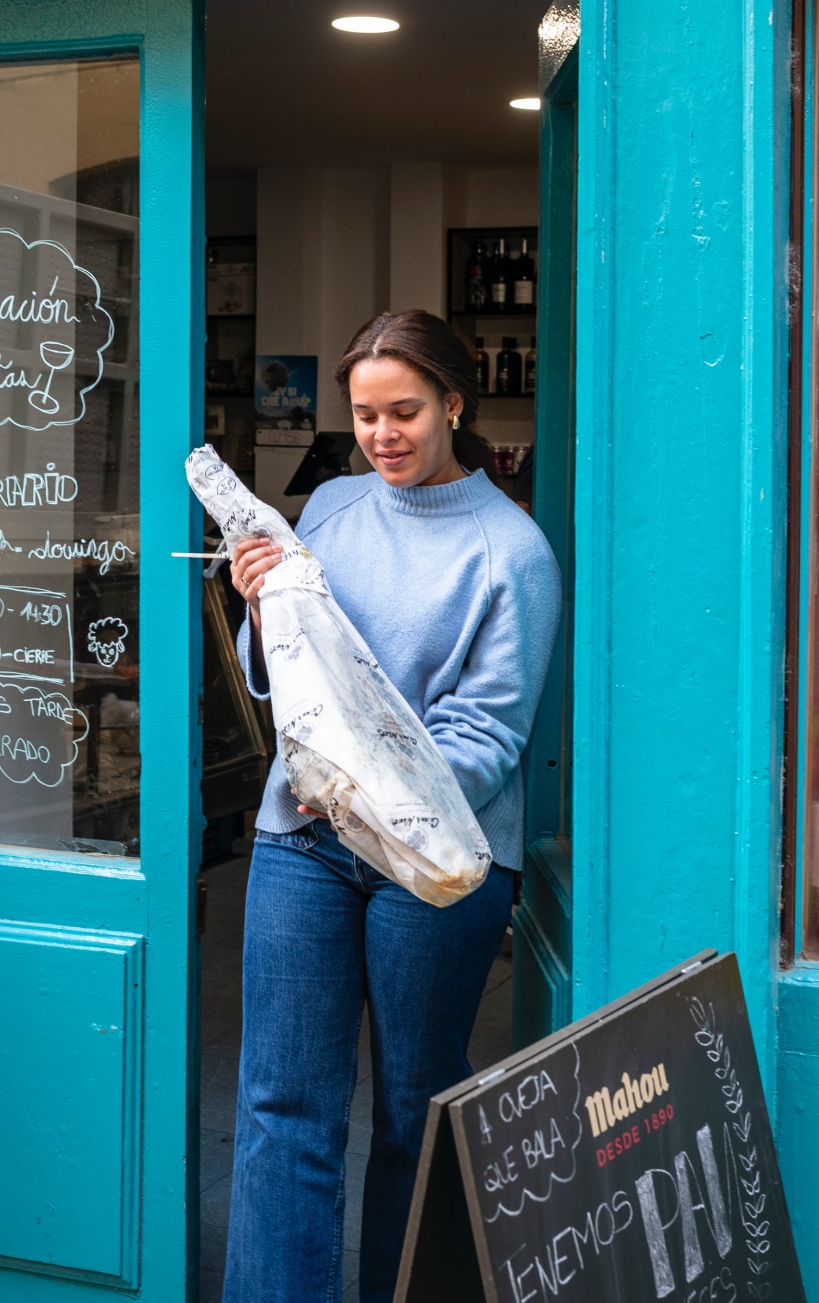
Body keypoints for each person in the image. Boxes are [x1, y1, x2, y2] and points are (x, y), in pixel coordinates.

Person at [223, 309, 562, 1303]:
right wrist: (259, 606)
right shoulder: (326, 506)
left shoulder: (513, 552)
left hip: (435, 859)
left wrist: (378, 796)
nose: (382, 436)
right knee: (281, 1099)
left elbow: (489, 743)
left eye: (404, 411)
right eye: (365, 415)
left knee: (414, 1107)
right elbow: (284, 676)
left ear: (455, 403)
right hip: (304, 839)